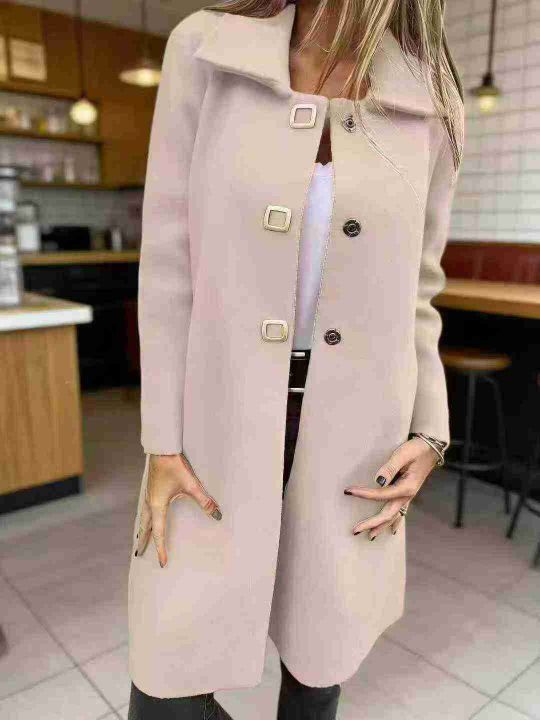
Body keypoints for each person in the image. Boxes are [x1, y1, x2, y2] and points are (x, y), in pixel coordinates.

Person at [127, 0, 464, 717]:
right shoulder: (207, 49)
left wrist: (430, 432)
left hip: (359, 438)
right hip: (214, 426)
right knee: (166, 685)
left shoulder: (429, 92)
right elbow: (168, 266)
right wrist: (162, 440)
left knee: (318, 667)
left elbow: (420, 286)